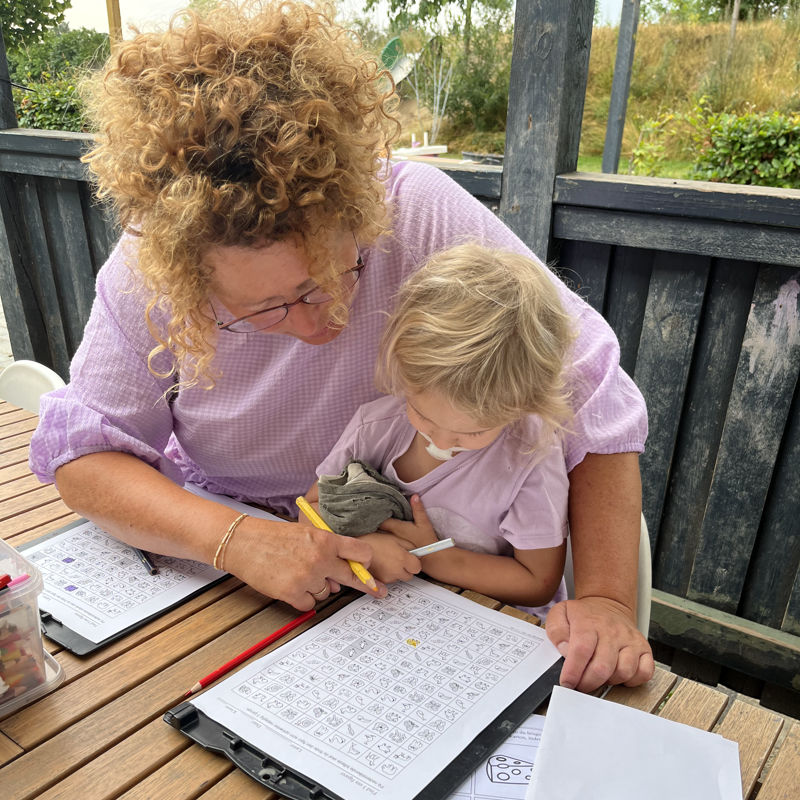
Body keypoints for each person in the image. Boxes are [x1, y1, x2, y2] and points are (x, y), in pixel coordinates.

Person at [28, 0, 652, 692]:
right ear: (188, 273)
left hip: (416, 573)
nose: (317, 323)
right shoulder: (149, 273)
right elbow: (86, 456)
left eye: (337, 275)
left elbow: (596, 398)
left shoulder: (415, 210)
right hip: (231, 556)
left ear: (358, 206)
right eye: (264, 308)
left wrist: (605, 599)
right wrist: (240, 543)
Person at [303, 243, 573, 620]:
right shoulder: (376, 428)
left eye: (473, 433)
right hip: (386, 614)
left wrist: (428, 559)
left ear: (523, 405)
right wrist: (365, 547)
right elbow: (310, 510)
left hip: (495, 627)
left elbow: (536, 583)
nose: (442, 442)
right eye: (423, 415)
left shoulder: (529, 459)